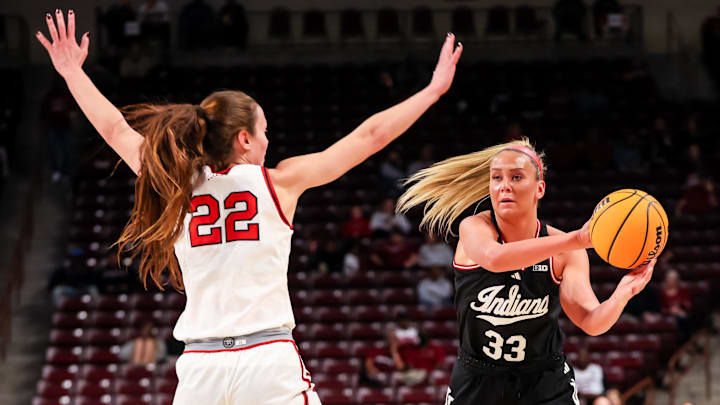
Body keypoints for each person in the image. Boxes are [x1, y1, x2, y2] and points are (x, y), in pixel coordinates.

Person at [37, 12, 462, 405]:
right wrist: (431, 91)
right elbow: (369, 136)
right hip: (267, 358)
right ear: (243, 139)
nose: (269, 141)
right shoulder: (280, 182)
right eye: (264, 132)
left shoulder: (175, 182)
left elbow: (115, 129)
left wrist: (73, 72)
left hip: (202, 366)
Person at [396, 138, 656, 405]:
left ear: (539, 188)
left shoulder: (566, 250)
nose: (504, 186)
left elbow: (590, 321)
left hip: (544, 379)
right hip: (478, 378)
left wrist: (622, 295)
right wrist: (576, 238)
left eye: (516, 177)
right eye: (496, 178)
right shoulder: (474, 228)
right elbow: (495, 259)